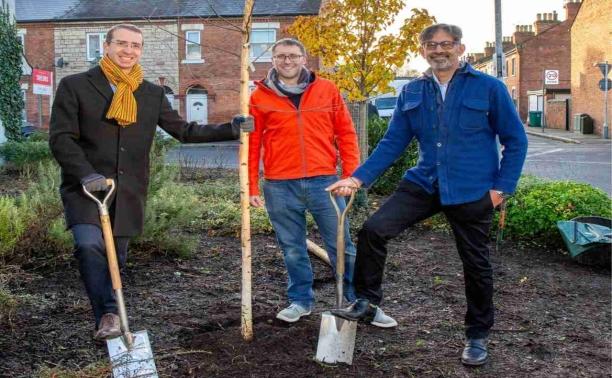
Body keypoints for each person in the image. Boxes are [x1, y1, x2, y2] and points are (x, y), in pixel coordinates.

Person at [327, 23, 528, 365]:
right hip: (423, 183)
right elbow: (392, 143)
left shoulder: (489, 88)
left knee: (476, 265)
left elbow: (516, 140)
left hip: (471, 189)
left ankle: (477, 336)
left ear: (460, 49)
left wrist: (500, 191)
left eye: (446, 44)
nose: (439, 50)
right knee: (374, 230)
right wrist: (357, 179)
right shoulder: (412, 92)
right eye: (431, 45)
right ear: (423, 51)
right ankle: (367, 300)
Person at [49, 24, 248, 340]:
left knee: (118, 258)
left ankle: (111, 314)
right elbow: (61, 138)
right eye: (122, 44)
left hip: (128, 190)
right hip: (86, 187)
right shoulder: (75, 85)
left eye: (135, 46)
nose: (129, 51)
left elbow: (183, 130)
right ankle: (108, 316)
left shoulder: (150, 93)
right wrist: (86, 173)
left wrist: (231, 129)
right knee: (88, 246)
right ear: (107, 45)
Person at [248, 38, 394, 326]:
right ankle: (301, 300)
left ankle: (357, 301)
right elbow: (252, 143)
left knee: (342, 245)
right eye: (280, 57)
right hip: (279, 185)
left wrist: (351, 176)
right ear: (273, 61)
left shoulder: (326, 89)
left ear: (304, 59)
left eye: (292, 56)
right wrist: (252, 185)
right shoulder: (259, 97)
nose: (286, 61)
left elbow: (346, 134)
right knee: (291, 247)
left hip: (325, 183)